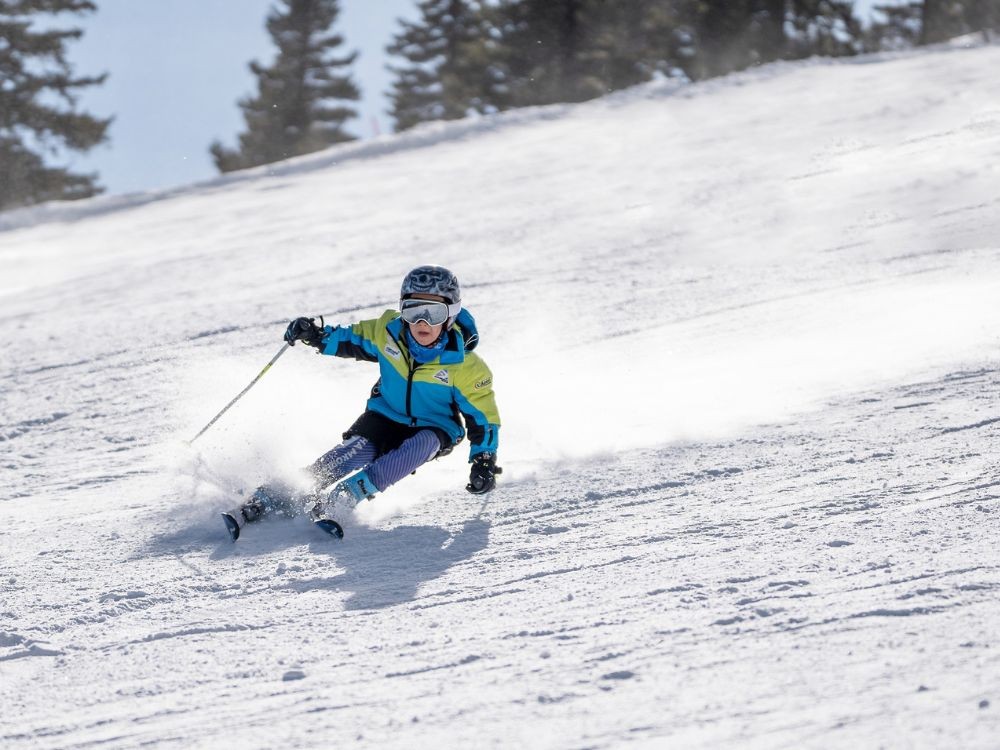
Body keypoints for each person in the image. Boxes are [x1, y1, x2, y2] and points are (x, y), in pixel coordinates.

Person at [222, 265, 502, 540]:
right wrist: (316, 335)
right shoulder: (387, 332)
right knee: (353, 452)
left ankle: (345, 497)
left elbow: (483, 418)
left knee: (420, 446)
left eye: (434, 313)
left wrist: (483, 459)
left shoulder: (466, 366)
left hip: (434, 426)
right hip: (385, 416)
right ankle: (273, 497)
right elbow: (352, 339)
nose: (422, 322)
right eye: (414, 311)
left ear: (451, 314)